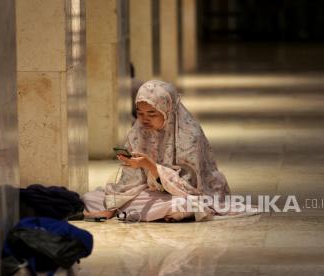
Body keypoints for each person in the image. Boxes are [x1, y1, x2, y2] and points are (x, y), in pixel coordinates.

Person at [83, 80, 231, 222]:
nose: (144, 119)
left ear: (168, 109)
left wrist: (151, 167)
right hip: (149, 194)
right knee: (91, 198)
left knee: (186, 204)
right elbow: (131, 182)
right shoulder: (138, 132)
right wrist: (113, 205)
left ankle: (149, 212)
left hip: (181, 195)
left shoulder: (190, 135)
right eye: (140, 113)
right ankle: (148, 212)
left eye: (152, 114)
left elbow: (191, 187)